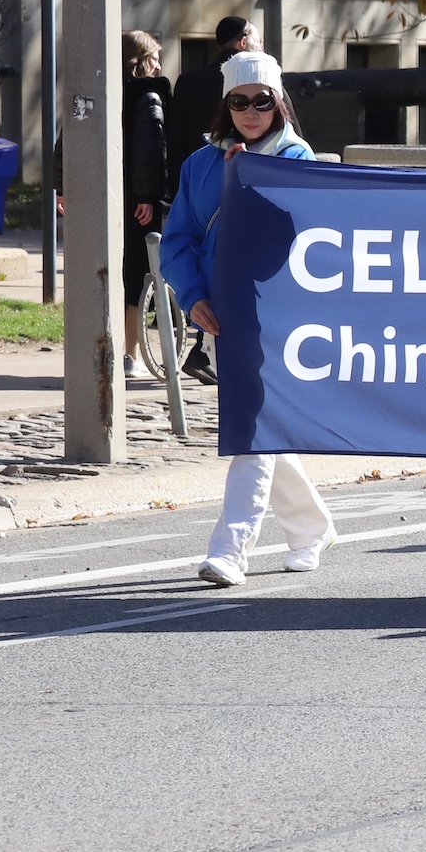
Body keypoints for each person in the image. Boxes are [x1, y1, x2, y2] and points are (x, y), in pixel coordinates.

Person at [162, 53, 337, 587]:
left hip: (280, 315)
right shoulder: (199, 164)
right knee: (262, 423)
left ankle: (230, 550)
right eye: (239, 101)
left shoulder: (296, 158)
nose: (251, 111)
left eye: (262, 100)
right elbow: (178, 240)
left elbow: (307, 231)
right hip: (221, 314)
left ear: (278, 102)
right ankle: (311, 527)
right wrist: (193, 296)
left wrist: (247, 177)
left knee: (252, 424)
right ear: (227, 105)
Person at [119, 31, 170, 380]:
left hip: (113, 195)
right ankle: (130, 353)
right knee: (139, 276)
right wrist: (148, 197)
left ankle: (123, 352)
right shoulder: (150, 96)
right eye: (154, 59)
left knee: (121, 274)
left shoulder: (102, 90)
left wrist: (62, 187)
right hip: (137, 201)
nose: (158, 66)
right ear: (139, 61)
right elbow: (149, 152)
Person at [167, 14, 255, 200]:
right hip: (250, 184)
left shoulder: (188, 81)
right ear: (243, 42)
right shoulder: (259, 84)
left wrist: (178, 191)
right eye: (258, 41)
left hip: (198, 183)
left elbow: (175, 141)